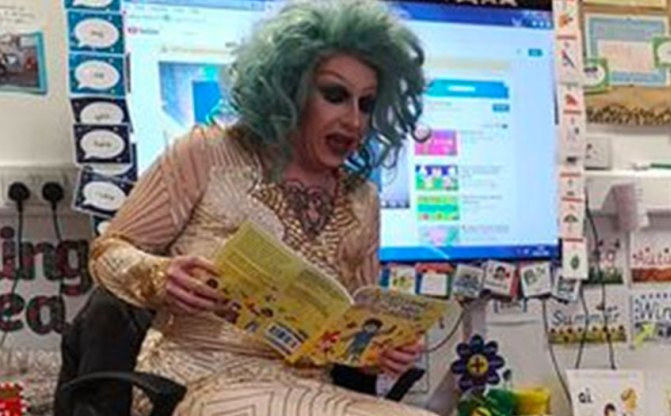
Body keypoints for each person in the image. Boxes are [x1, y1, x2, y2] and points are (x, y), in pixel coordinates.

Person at [88, 1, 436, 415]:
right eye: (335, 95)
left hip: (312, 393)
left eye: (366, 103)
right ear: (289, 88)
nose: (354, 121)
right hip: (193, 380)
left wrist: (380, 349)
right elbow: (108, 252)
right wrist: (160, 276)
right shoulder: (208, 152)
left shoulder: (363, 199)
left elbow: (348, 333)